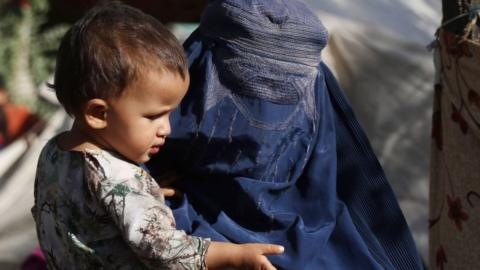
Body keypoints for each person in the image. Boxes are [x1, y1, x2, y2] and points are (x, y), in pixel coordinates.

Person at [147, 0, 425, 269]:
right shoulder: (136, 216)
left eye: (286, 96)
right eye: (246, 87)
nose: (264, 119)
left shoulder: (145, 221)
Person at [31, 2, 284, 269]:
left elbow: (80, 210)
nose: (166, 129)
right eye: (153, 116)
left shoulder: (53, 152)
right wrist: (234, 255)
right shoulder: (120, 178)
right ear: (98, 113)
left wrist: (140, 197)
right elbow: (163, 250)